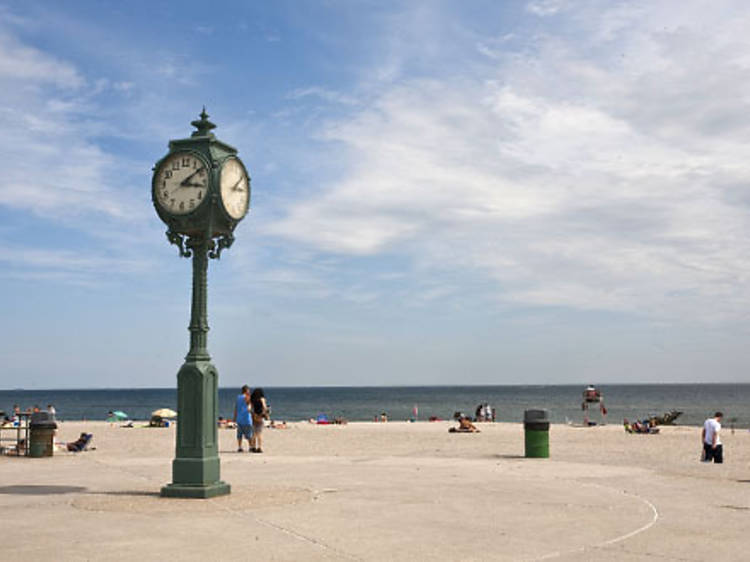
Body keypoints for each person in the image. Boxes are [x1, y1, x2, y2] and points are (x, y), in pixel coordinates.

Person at [233, 385, 253, 452]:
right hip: (246, 418)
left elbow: (236, 408)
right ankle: (250, 447)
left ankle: (240, 447)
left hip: (239, 419)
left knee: (239, 434)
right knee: (249, 434)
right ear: (247, 390)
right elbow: (249, 407)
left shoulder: (238, 398)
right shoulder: (247, 397)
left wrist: (234, 417)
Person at [249, 388, 268, 453]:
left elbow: (250, 409)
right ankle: (259, 447)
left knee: (254, 432)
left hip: (254, 416)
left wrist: (253, 414)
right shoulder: (262, 399)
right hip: (260, 416)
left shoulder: (252, 400)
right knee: (259, 433)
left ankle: (253, 447)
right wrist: (265, 414)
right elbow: (264, 407)